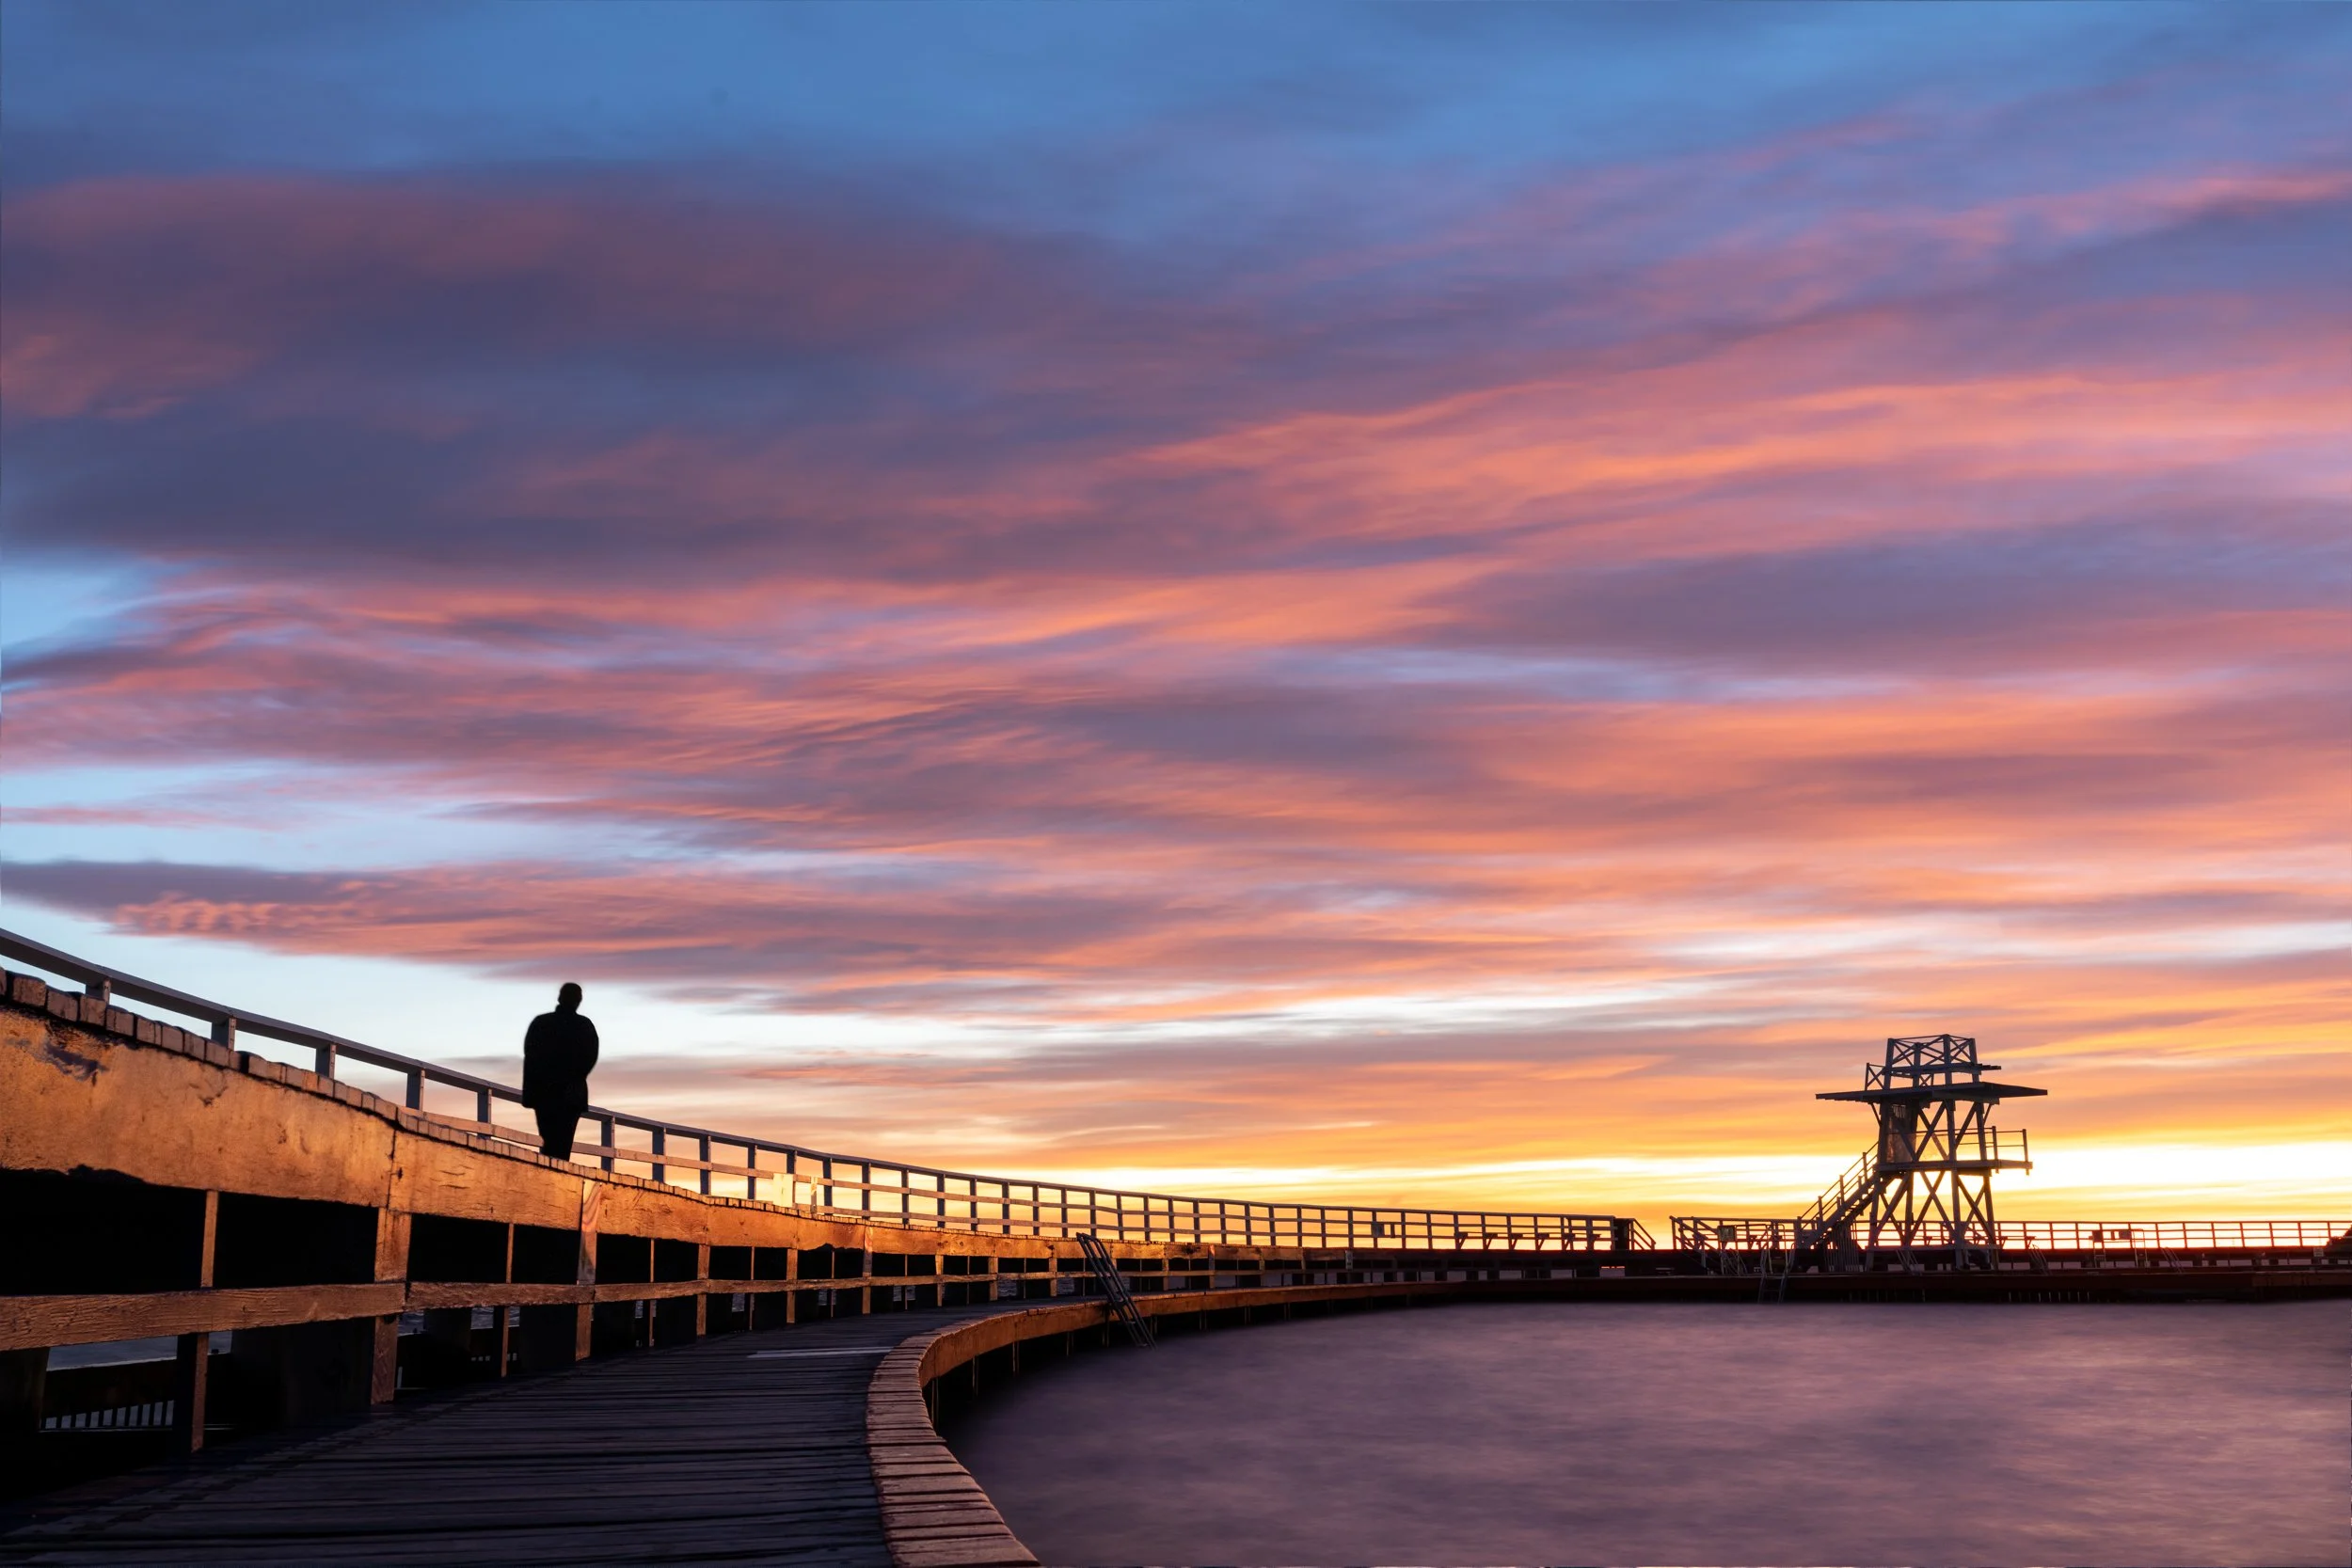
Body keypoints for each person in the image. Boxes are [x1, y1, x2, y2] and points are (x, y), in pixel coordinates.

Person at [521, 982, 598, 1160]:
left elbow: (530, 1055)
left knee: (548, 1139)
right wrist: (574, 1078)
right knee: (564, 1142)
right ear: (579, 1000)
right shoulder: (584, 1026)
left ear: (559, 997)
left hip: (543, 1092)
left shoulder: (541, 1023)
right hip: (571, 1095)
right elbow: (590, 1058)